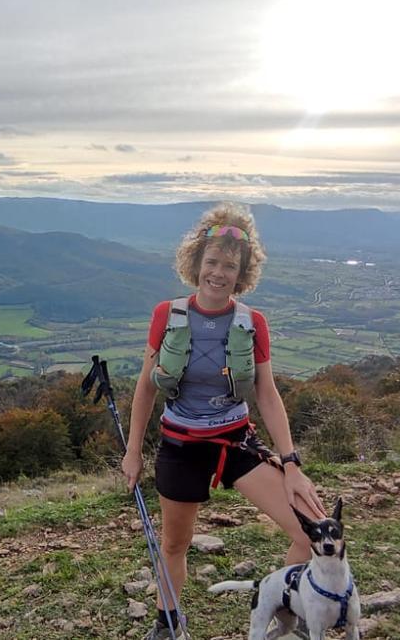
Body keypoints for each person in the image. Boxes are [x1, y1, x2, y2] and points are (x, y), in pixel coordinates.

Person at [122, 202, 326, 640]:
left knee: (311, 532)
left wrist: (291, 464)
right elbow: (146, 387)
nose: (218, 272)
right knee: (175, 544)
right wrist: (133, 452)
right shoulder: (167, 315)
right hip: (180, 445)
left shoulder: (252, 323)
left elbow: (267, 395)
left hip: (236, 442)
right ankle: (168, 624)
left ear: (242, 273)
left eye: (229, 266)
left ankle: (280, 610)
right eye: (211, 261)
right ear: (196, 262)